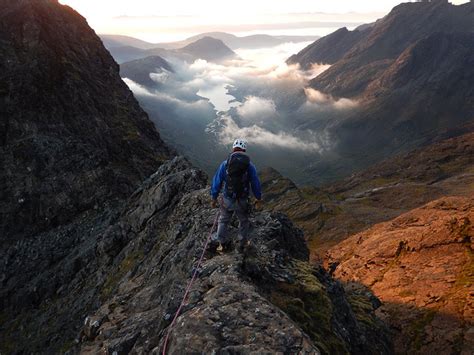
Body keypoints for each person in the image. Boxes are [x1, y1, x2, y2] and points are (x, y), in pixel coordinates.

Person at [210, 138, 263, 253]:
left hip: (227, 198)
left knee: (223, 220)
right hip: (242, 199)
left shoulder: (225, 164)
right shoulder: (249, 166)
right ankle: (242, 243)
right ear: (244, 150)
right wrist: (258, 198)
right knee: (244, 221)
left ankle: (221, 243)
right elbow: (255, 183)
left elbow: (217, 182)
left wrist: (213, 198)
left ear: (233, 149)